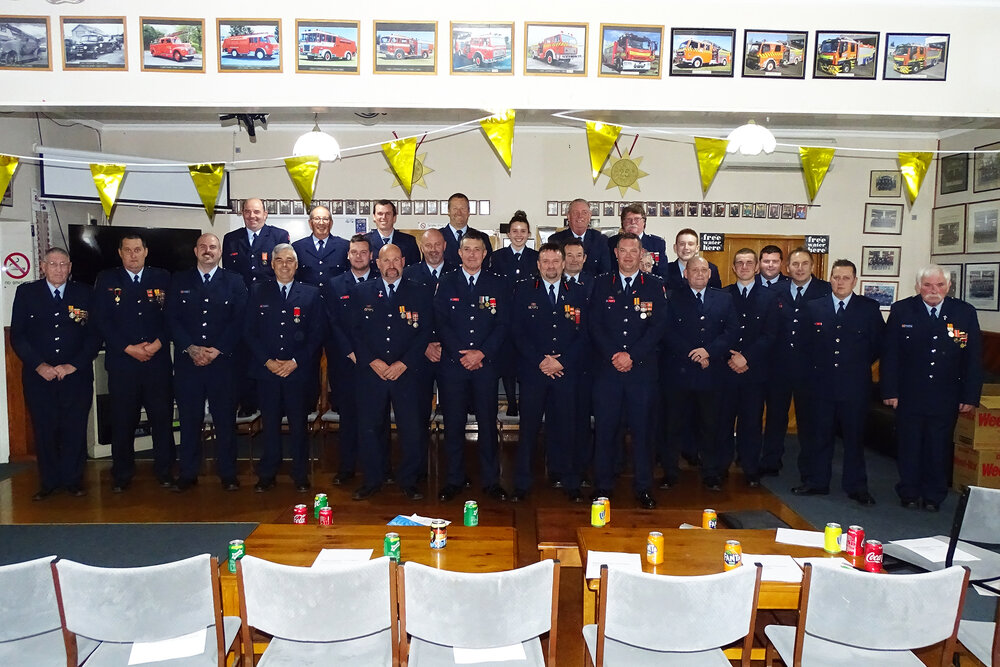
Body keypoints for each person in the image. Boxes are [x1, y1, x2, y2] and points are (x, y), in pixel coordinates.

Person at [881, 265, 982, 512]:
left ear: (948, 287)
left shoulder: (964, 313)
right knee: (909, 445)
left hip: (946, 395)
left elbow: (972, 357)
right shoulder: (903, 310)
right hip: (909, 394)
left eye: (939, 285)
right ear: (918, 287)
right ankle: (909, 492)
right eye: (927, 285)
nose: (933, 290)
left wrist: (970, 395)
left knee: (939, 446)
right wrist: (889, 391)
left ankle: (934, 496)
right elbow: (890, 355)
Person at [11, 248, 101, 500]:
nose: (59, 269)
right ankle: (49, 482)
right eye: (53, 264)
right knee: (45, 429)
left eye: (64, 264)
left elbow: (94, 335)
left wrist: (72, 365)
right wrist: (40, 366)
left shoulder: (84, 293)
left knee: (74, 429)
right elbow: (18, 336)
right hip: (39, 377)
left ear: (70, 267)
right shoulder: (27, 293)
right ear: (43, 266)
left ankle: (73, 480)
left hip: (75, 375)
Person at [349, 244, 433, 501]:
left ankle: (409, 480)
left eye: (396, 259)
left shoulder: (419, 292)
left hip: (406, 372)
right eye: (386, 260)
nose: (392, 264)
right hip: (372, 372)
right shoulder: (361, 292)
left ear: (404, 261)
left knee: (411, 428)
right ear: (377, 262)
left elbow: (425, 332)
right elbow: (354, 332)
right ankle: (373, 479)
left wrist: (404, 363)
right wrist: (372, 361)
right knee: (371, 427)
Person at [92, 234, 175, 492]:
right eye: (127, 250)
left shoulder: (162, 278)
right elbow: (100, 320)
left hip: (157, 363)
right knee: (123, 422)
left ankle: (165, 471)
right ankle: (122, 474)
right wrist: (128, 348)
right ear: (120, 253)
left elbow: (173, 316)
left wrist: (158, 344)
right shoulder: (107, 279)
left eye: (137, 249)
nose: (133, 255)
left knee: (161, 420)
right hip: (122, 364)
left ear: (146, 251)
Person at [589, 233, 667, 509]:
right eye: (623, 250)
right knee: (606, 431)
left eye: (634, 251)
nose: (628, 256)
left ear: (641, 253)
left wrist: (631, 355)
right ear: (616, 253)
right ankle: (603, 486)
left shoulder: (655, 286)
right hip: (608, 372)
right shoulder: (601, 284)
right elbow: (594, 324)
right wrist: (615, 354)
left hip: (641, 373)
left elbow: (658, 326)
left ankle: (644, 486)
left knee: (643, 432)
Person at [166, 234, 247, 492]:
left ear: (220, 252)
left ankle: (228, 474)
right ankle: (188, 473)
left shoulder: (234, 281)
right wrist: (190, 348)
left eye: (213, 247)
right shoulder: (179, 280)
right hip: (189, 364)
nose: (208, 251)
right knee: (190, 420)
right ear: (195, 251)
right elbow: (171, 319)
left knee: (225, 421)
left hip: (222, 364)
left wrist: (217, 349)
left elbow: (240, 320)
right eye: (203, 247)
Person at [510, 243, 589, 502]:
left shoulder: (577, 292)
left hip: (566, 373)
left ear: (564, 263)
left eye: (556, 261)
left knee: (566, 428)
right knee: (528, 428)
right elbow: (517, 332)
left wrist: (562, 361)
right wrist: (540, 361)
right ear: (538, 264)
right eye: (546, 262)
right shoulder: (523, 291)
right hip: (534, 372)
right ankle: (522, 483)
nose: (551, 266)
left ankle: (568, 481)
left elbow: (585, 334)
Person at [433, 233, 509, 502]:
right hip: (453, 366)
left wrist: (481, 353)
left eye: (478, 250)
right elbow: (441, 322)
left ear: (485, 254)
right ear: (459, 253)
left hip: (485, 366)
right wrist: (461, 354)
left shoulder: (497, 284)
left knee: (487, 424)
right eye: (468, 249)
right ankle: (454, 479)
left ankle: (491, 481)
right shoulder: (447, 282)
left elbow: (503, 324)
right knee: (454, 424)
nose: (473, 254)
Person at [244, 244, 324, 493]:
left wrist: (295, 362)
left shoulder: (310, 294)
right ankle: (267, 473)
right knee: (269, 425)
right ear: (272, 264)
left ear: (297, 265)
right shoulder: (258, 291)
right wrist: (267, 361)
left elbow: (317, 334)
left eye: (290, 260)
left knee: (299, 425)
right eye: (280, 260)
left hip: (297, 373)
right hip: (266, 372)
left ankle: (300, 474)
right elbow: (249, 331)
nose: (285, 265)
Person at [802, 259, 884, 504]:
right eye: (836, 277)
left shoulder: (868, 308)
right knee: (820, 436)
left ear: (855, 281)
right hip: (821, 385)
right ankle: (817, 482)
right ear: (830, 279)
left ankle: (856, 486)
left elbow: (877, 345)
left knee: (854, 439)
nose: (840, 282)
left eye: (846, 278)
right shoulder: (814, 307)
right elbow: (806, 347)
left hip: (854, 386)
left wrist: (854, 365)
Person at [660, 255, 738, 491]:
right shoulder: (672, 298)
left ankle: (711, 473)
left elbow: (731, 331)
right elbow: (666, 332)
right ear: (686, 273)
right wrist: (693, 354)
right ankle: (670, 473)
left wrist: (709, 352)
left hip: (711, 374)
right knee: (671, 426)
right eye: (695, 270)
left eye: (705, 270)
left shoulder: (724, 299)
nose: (700, 274)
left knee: (710, 426)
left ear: (710, 273)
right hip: (679, 374)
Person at [762, 247, 832, 481]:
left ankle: (809, 468)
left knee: (808, 421)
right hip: (778, 366)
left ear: (812, 267)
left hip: (810, 369)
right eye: (795, 264)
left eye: (804, 264)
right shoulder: (776, 290)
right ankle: (771, 461)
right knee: (775, 418)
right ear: (787, 268)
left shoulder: (825, 291)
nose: (799, 268)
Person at [222, 198, 290, 415]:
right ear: (242, 214)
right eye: (248, 212)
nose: (252, 216)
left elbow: (283, 269)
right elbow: (229, 275)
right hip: (241, 306)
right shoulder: (231, 239)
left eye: (257, 212)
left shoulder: (279, 235)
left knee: (269, 349)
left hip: (269, 303)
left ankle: (274, 404)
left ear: (266, 213)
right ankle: (248, 402)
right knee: (244, 355)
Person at [321, 234, 379, 487]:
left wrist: (369, 355)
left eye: (363, 252)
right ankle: (346, 468)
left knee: (375, 418)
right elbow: (332, 323)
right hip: (344, 362)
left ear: (371, 256)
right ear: (348, 255)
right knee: (348, 418)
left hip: (374, 363)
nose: (358, 256)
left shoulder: (381, 282)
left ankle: (378, 468)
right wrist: (350, 351)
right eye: (354, 252)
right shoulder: (334, 285)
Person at [718, 248, 777, 488]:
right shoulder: (723, 295)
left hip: (755, 371)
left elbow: (770, 334)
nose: (744, 267)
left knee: (751, 423)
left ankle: (751, 468)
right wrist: (731, 358)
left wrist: (746, 358)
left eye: (748, 263)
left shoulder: (770, 297)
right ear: (733, 268)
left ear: (756, 268)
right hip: (726, 369)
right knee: (723, 422)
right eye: (739, 263)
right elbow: (717, 332)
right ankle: (720, 467)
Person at [487, 210, 539, 417]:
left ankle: (526, 401)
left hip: (529, 316)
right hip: (504, 315)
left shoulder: (536, 257)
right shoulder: (497, 257)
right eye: (515, 231)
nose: (519, 235)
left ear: (528, 234)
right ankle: (511, 401)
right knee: (507, 361)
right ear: (508, 234)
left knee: (526, 360)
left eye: (523, 231)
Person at [548, 199, 611, 276]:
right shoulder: (555, 240)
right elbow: (553, 269)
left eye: (584, 212)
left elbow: (605, 271)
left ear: (589, 216)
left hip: (594, 286)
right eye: (575, 213)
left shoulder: (601, 240)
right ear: (568, 216)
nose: (580, 216)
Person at [291, 205, 349, 286]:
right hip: (307, 297)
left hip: (335, 297)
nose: (321, 223)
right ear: (310, 223)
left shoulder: (344, 246)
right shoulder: (298, 247)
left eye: (325, 219)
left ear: (331, 223)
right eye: (317, 219)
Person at [607, 203, 668, 276]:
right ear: (622, 223)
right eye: (628, 219)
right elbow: (608, 270)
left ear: (644, 222)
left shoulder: (657, 243)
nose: (632, 222)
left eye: (637, 219)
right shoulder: (611, 243)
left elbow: (663, 274)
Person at [439, 192, 493, 266]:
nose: (459, 213)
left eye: (463, 208)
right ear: (448, 211)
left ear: (468, 211)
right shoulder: (437, 237)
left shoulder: (482, 238)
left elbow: (486, 268)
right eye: (455, 208)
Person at [365, 199, 421, 267]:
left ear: (394, 218)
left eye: (388, 214)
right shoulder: (365, 241)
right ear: (374, 217)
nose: (384, 217)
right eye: (380, 214)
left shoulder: (409, 241)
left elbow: (415, 269)